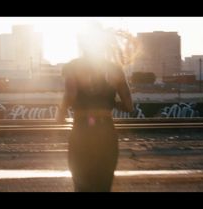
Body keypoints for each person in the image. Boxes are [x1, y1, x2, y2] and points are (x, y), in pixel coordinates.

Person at [56, 22, 136, 192]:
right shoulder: (115, 69)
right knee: (104, 182)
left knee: (81, 181)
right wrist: (111, 102)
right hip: (106, 130)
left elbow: (70, 94)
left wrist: (60, 114)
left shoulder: (73, 66)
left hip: (81, 129)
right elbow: (129, 105)